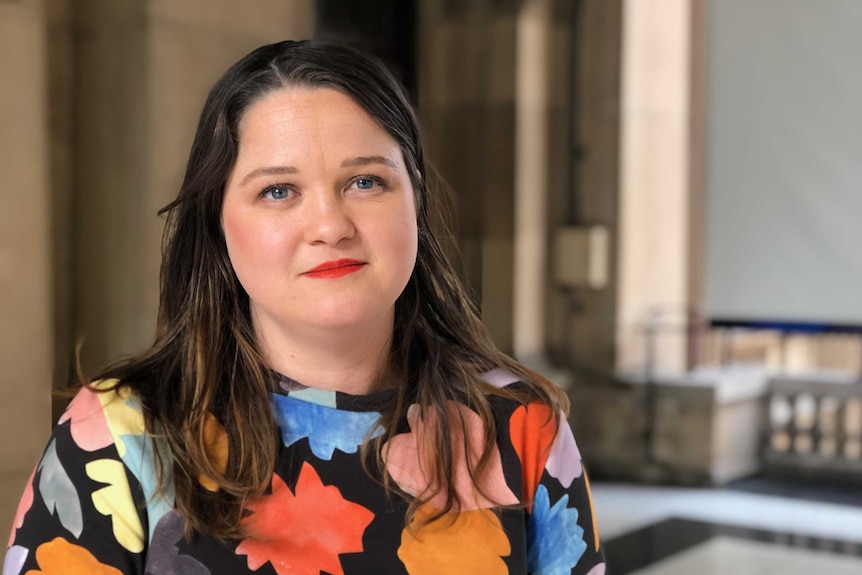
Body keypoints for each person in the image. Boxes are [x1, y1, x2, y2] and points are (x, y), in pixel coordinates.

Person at [4, 40, 605, 575]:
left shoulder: (521, 428)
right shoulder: (124, 433)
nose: (329, 225)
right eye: (278, 191)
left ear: (415, 199)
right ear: (218, 227)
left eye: (365, 181)